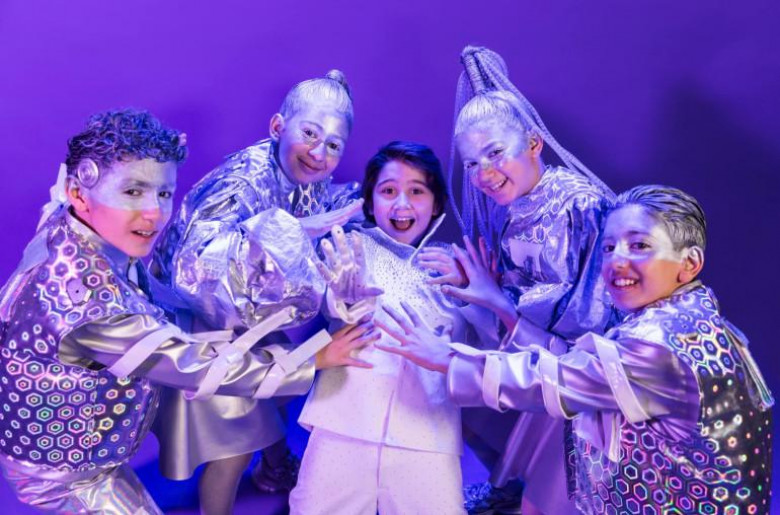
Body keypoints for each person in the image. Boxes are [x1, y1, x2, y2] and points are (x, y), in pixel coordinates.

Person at [0, 109, 369, 514]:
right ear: (78, 193)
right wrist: (312, 358)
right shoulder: (90, 306)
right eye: (133, 191)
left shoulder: (70, 222)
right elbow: (201, 368)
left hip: (94, 438)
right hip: (72, 473)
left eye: (163, 193)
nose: (155, 213)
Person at [378, 185, 774, 514]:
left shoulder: (658, 343)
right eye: (609, 247)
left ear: (689, 264)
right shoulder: (689, 314)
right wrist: (500, 305)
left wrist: (447, 359)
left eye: (639, 245)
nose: (617, 261)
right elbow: (580, 367)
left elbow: (550, 381)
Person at [150, 70, 365, 514]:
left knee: (283, 383)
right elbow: (194, 267)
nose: (319, 153)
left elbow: (319, 216)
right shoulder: (243, 180)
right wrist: (291, 231)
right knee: (237, 441)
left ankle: (275, 465)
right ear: (277, 126)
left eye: (333, 145)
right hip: (198, 318)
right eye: (310, 134)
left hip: (248, 313)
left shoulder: (306, 176)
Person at [420, 45, 613, 514]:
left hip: (583, 368)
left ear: (534, 144)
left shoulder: (580, 204)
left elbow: (592, 313)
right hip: (534, 346)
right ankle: (506, 482)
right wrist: (478, 284)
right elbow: (514, 286)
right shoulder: (508, 208)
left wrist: (498, 300)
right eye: (471, 164)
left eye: (495, 153)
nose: (484, 174)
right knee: (447, 370)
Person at [289, 141, 495, 514]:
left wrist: (473, 293)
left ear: (436, 203)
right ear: (370, 203)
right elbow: (334, 303)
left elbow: (484, 346)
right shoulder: (351, 249)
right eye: (388, 191)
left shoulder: (456, 266)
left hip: (428, 433)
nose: (402, 204)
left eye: (416, 191)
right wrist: (344, 302)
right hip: (344, 424)